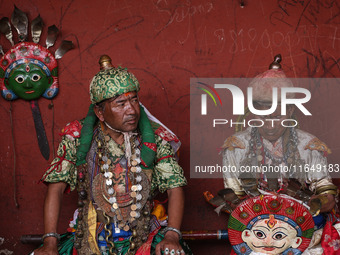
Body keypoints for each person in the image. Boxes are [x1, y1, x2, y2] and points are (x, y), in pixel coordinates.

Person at [33, 55, 190, 255]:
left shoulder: (155, 138)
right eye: (121, 104)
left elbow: (174, 188)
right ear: (100, 113)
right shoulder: (78, 137)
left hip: (143, 235)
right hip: (90, 236)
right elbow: (55, 189)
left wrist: (172, 236)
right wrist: (50, 242)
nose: (132, 110)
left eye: (134, 100)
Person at [221, 55, 339, 254]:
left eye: (277, 116)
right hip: (258, 232)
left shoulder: (309, 145)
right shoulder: (235, 147)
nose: (270, 123)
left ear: (291, 110)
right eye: (263, 116)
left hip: (304, 229)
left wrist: (317, 202)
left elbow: (327, 194)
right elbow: (234, 199)